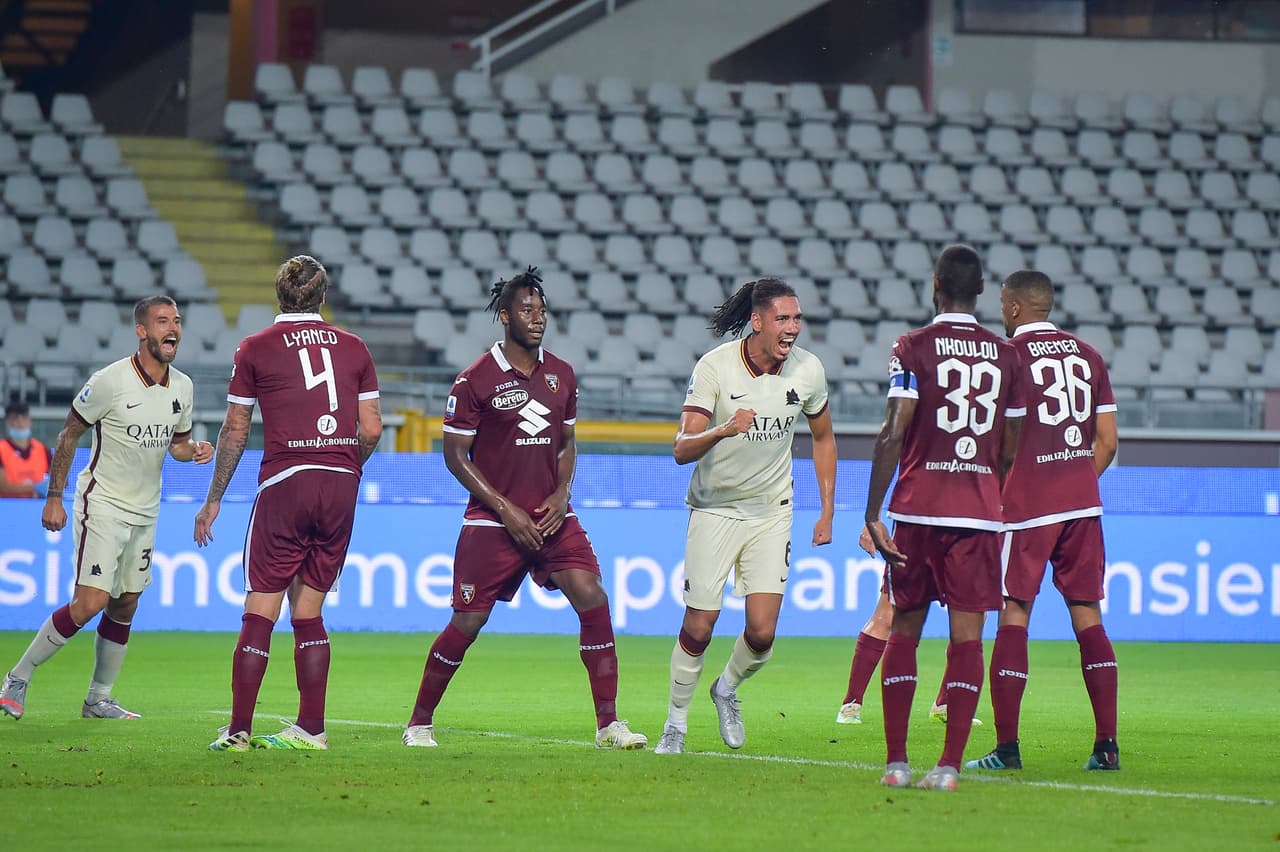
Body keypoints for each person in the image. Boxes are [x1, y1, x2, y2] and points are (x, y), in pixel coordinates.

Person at [403, 267, 646, 751]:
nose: (537, 319)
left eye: (542, 311)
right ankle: (419, 723)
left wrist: (562, 495)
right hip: (493, 522)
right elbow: (454, 455)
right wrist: (504, 509)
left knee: (593, 597)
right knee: (468, 623)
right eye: (526, 311)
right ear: (504, 316)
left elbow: (566, 444)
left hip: (553, 517)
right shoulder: (475, 380)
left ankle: (608, 726)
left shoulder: (562, 374)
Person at [197, 255, 382, 752]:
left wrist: (214, 499)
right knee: (309, 611)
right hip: (341, 481)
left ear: (277, 296)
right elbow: (371, 429)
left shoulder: (255, 348)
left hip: (286, 481)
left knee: (261, 608)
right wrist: (347, 466)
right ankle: (312, 729)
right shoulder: (355, 348)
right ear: (323, 298)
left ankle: (238, 730)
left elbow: (236, 431)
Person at [0, 296, 213, 721]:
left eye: (176, 321)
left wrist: (195, 451)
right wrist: (55, 497)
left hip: (146, 511)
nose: (172, 328)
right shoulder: (110, 381)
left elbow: (178, 445)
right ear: (141, 331)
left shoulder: (183, 387)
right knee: (90, 602)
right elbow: (68, 435)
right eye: (161, 321)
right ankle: (17, 678)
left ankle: (98, 698)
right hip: (102, 504)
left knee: (126, 603)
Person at [863, 245, 1024, 791]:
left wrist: (871, 511)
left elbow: (893, 430)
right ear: (981, 290)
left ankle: (896, 763)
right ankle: (950, 765)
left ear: (936, 285)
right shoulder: (1007, 354)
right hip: (977, 514)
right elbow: (1008, 446)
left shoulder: (911, 347)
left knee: (904, 628)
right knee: (967, 639)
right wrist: (988, 494)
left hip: (916, 509)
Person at [655, 278, 836, 755]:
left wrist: (827, 510)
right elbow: (680, 448)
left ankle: (727, 688)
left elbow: (822, 437)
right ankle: (675, 723)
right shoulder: (714, 368)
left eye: (797, 319)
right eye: (783, 319)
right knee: (700, 625)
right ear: (757, 321)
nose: (793, 328)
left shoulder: (808, 371)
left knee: (762, 631)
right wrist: (723, 429)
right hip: (715, 509)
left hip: (772, 512)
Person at [965, 270, 1120, 773]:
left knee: (1014, 612)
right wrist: (1075, 481)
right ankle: (1106, 748)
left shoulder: (1006, 356)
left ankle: (1007, 749)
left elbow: (996, 439)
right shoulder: (1088, 354)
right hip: (1082, 504)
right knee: (1087, 615)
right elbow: (1109, 441)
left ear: (1012, 308)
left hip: (1027, 506)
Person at [0, 396, 52, 498]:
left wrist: (53, 484)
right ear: (7, 423)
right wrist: (35, 487)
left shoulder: (42, 449)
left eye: (23, 417)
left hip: (37, 506)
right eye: (14, 418)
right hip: (6, 507)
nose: (20, 422)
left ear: (29, 421)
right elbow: (2, 486)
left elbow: (60, 479)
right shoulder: (1, 449)